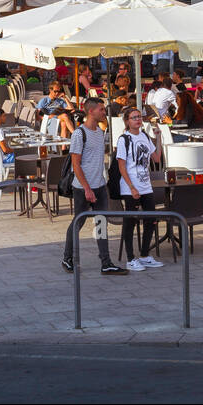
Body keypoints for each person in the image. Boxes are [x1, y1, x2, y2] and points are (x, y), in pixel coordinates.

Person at [61, 97, 127, 275]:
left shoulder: (99, 132)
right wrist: (87, 188)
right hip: (83, 187)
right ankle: (67, 258)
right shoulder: (79, 134)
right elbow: (76, 164)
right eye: (101, 110)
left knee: (101, 222)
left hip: (99, 185)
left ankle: (106, 262)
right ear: (91, 111)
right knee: (78, 221)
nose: (104, 112)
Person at [115, 106, 163, 273]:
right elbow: (121, 166)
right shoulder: (124, 139)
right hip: (131, 187)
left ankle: (144, 254)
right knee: (130, 222)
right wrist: (131, 187)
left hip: (146, 185)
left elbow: (156, 158)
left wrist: (158, 138)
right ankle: (130, 258)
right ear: (127, 121)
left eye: (139, 117)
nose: (138, 119)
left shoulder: (144, 136)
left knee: (151, 220)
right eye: (134, 117)